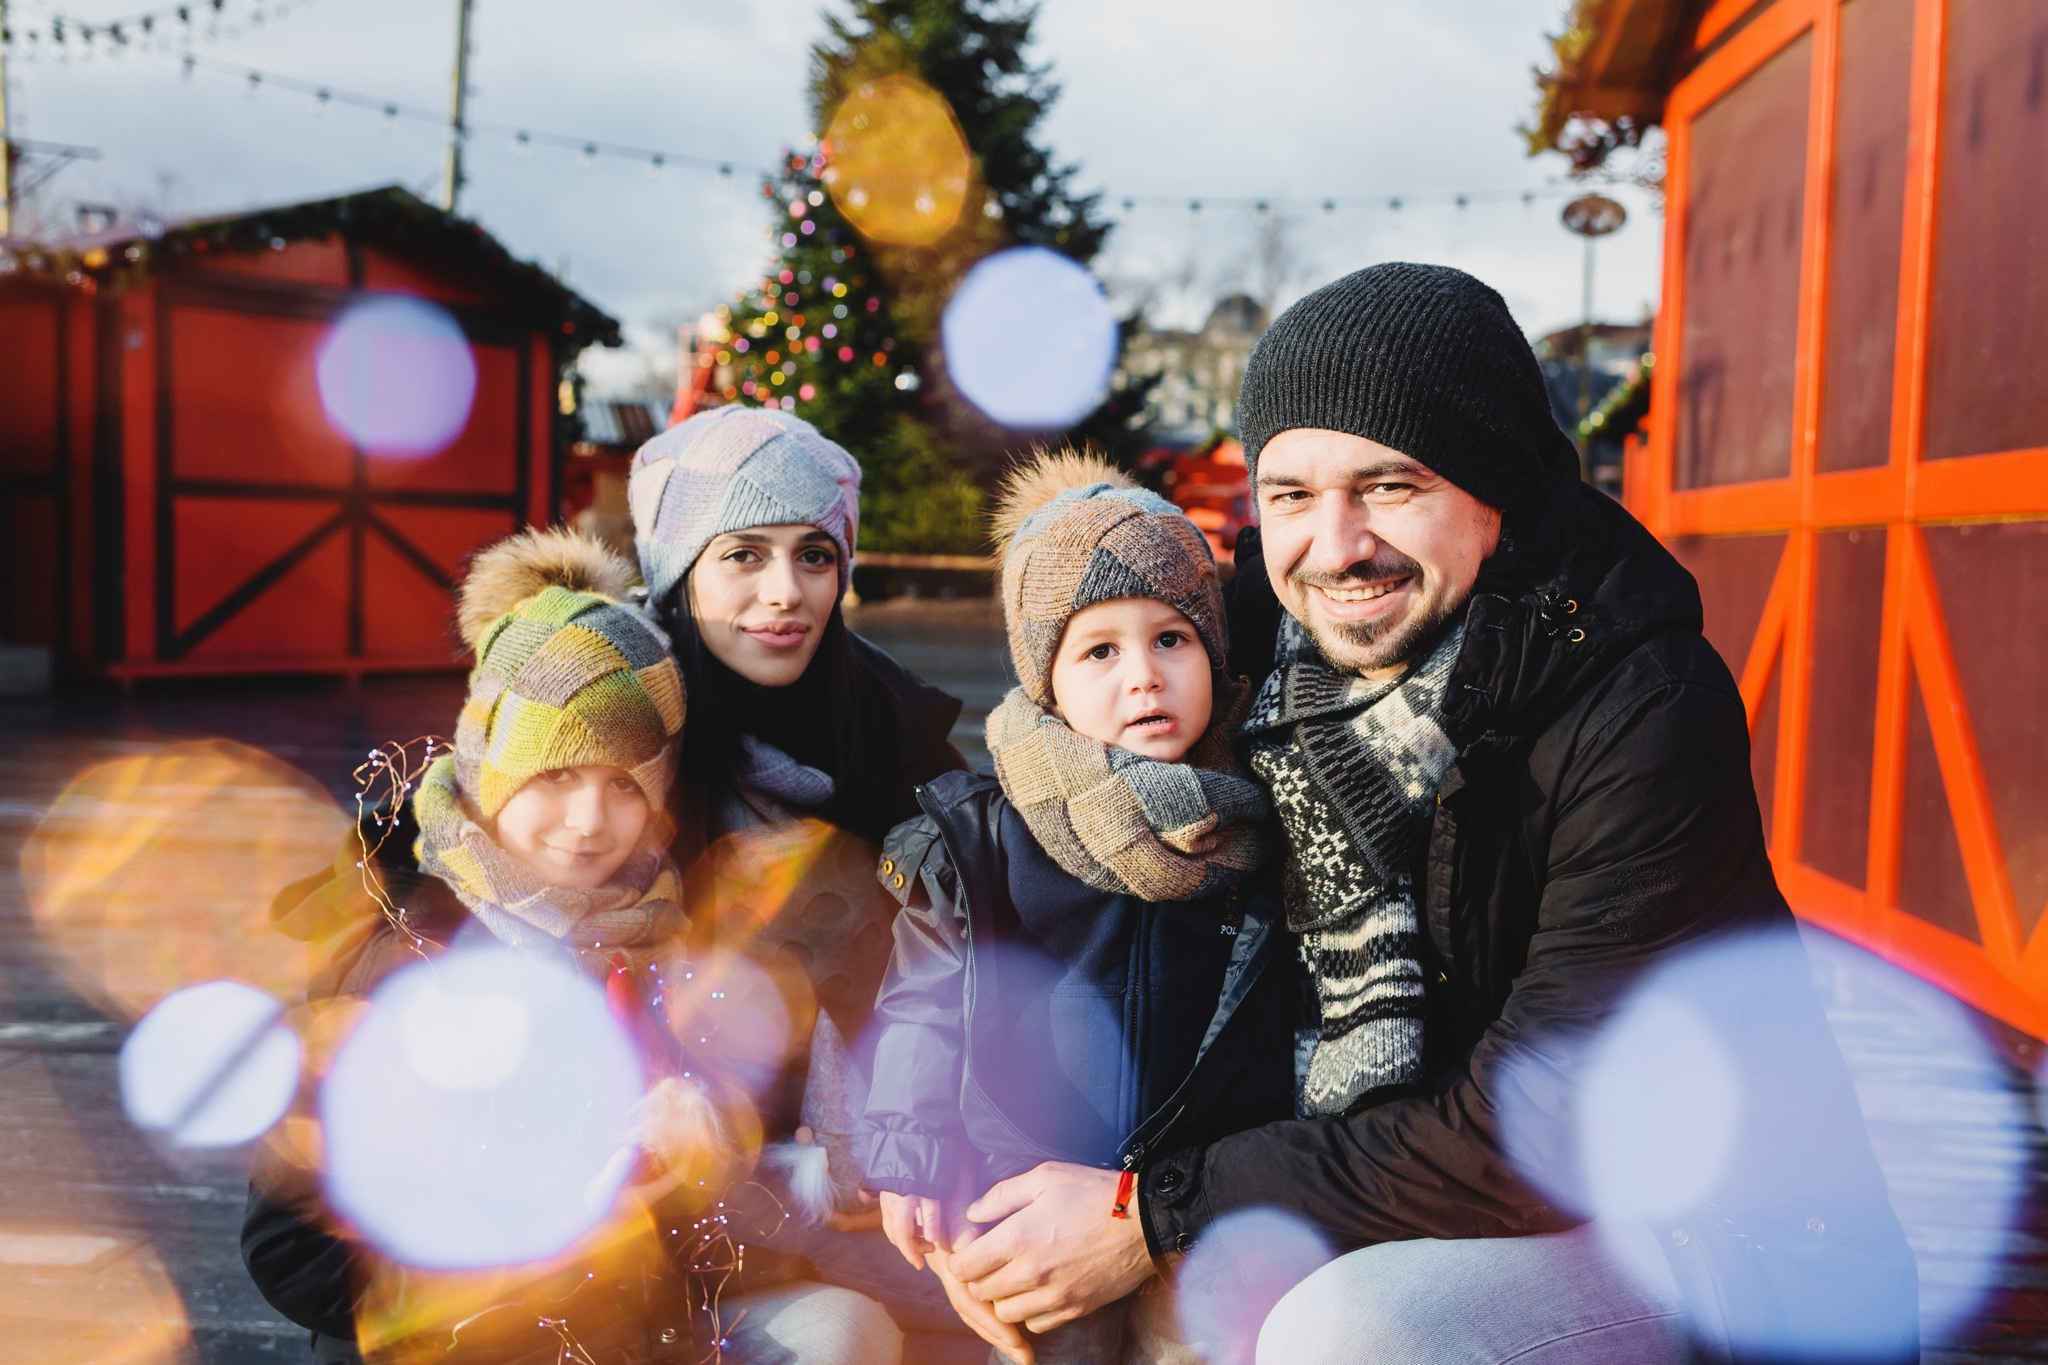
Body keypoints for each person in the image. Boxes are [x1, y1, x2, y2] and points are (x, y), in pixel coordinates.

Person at [940, 264, 1920, 1365]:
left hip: (1720, 1240)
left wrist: (1151, 1211)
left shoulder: (1639, 709)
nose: (1336, 543)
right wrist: (937, 1180)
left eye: (1390, 486)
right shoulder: (1264, 657)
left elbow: (1544, 1126)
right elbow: (1053, 759)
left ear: (1494, 491)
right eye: (1290, 494)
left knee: (1346, 1334)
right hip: (1416, 1190)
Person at [241, 527, 900, 1365]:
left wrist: (715, 1153)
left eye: (624, 784)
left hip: (630, 1324)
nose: (590, 823)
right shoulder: (408, 955)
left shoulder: (655, 932)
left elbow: (691, 1220)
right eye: (554, 777)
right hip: (465, 1337)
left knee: (843, 1330)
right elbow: (290, 1248)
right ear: (490, 770)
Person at [858, 453, 1296, 1365]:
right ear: (1045, 679)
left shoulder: (1261, 812)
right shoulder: (986, 833)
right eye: (1100, 649)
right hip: (1026, 1180)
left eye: (1171, 640)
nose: (1144, 675)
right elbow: (925, 998)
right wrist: (909, 1145)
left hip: (1198, 1196)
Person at [627, 406, 978, 1346]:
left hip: (860, 1184)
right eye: (742, 553)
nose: (785, 592)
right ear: (678, 567)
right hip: (651, 1211)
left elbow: (986, 945)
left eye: (814, 555)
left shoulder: (894, 734)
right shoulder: (614, 743)